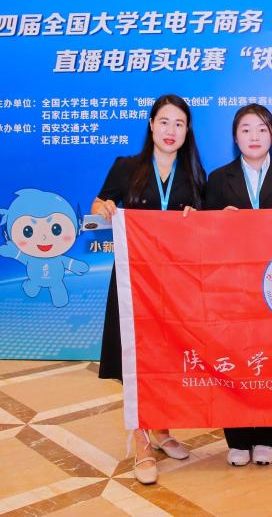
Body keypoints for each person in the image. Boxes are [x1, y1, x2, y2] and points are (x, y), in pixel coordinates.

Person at [92, 94, 207, 484]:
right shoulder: (127, 167)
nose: (171, 130)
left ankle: (161, 430)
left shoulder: (194, 174)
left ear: (187, 131)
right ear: (151, 125)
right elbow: (98, 204)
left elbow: (205, 229)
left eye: (179, 123)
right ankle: (141, 443)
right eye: (164, 121)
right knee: (134, 360)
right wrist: (104, 208)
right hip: (133, 282)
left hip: (173, 285)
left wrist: (195, 218)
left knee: (166, 359)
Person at [205, 103, 272, 467]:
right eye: (246, 129)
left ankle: (268, 435)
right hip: (231, 288)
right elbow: (201, 234)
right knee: (233, 358)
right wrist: (219, 221)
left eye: (262, 129)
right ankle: (236, 437)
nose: (254, 136)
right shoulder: (218, 179)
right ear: (235, 137)